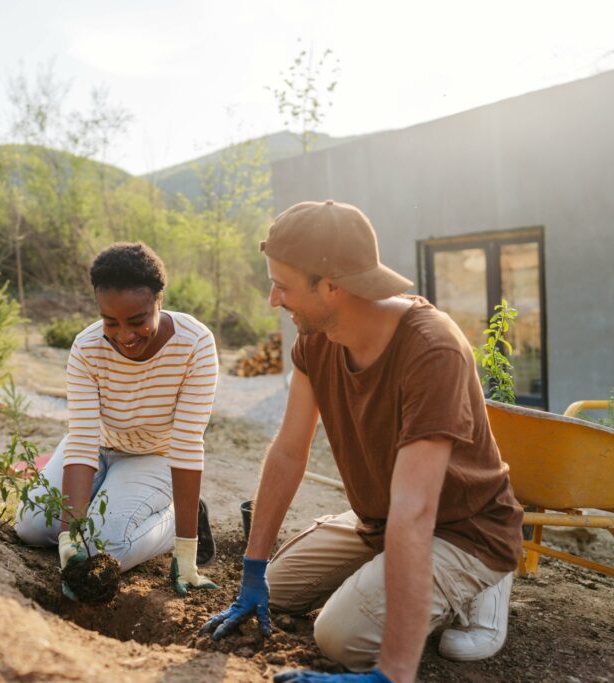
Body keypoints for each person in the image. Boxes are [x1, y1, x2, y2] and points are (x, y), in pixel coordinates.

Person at [200, 201, 523, 683]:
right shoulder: (315, 341)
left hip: (462, 526)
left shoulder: (431, 350)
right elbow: (289, 451)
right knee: (279, 587)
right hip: (382, 517)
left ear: (331, 285)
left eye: (282, 286)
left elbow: (416, 509)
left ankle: (479, 587)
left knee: (341, 636)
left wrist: (391, 674)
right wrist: (252, 567)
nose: (273, 299)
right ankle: (389, 566)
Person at [15, 242, 220, 598]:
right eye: (111, 321)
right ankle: (99, 511)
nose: (124, 335)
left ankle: (173, 522)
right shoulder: (86, 348)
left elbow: (187, 445)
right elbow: (81, 440)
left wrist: (187, 552)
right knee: (32, 526)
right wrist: (68, 535)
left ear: (159, 300)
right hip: (96, 447)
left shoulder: (195, 345)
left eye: (138, 321)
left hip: (154, 457)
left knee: (101, 550)